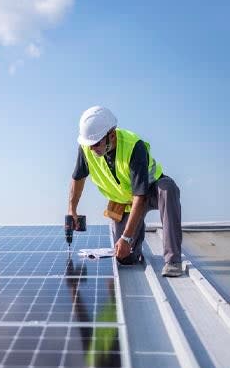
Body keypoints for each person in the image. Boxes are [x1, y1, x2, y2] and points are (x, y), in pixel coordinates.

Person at [67, 106, 182, 277]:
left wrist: (127, 238)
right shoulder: (87, 148)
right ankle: (136, 244)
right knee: (124, 257)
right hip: (122, 202)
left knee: (168, 189)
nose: (92, 149)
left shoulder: (134, 146)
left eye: (96, 143)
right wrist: (72, 209)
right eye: (89, 145)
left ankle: (173, 260)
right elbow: (78, 178)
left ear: (111, 135)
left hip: (149, 192)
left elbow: (140, 196)